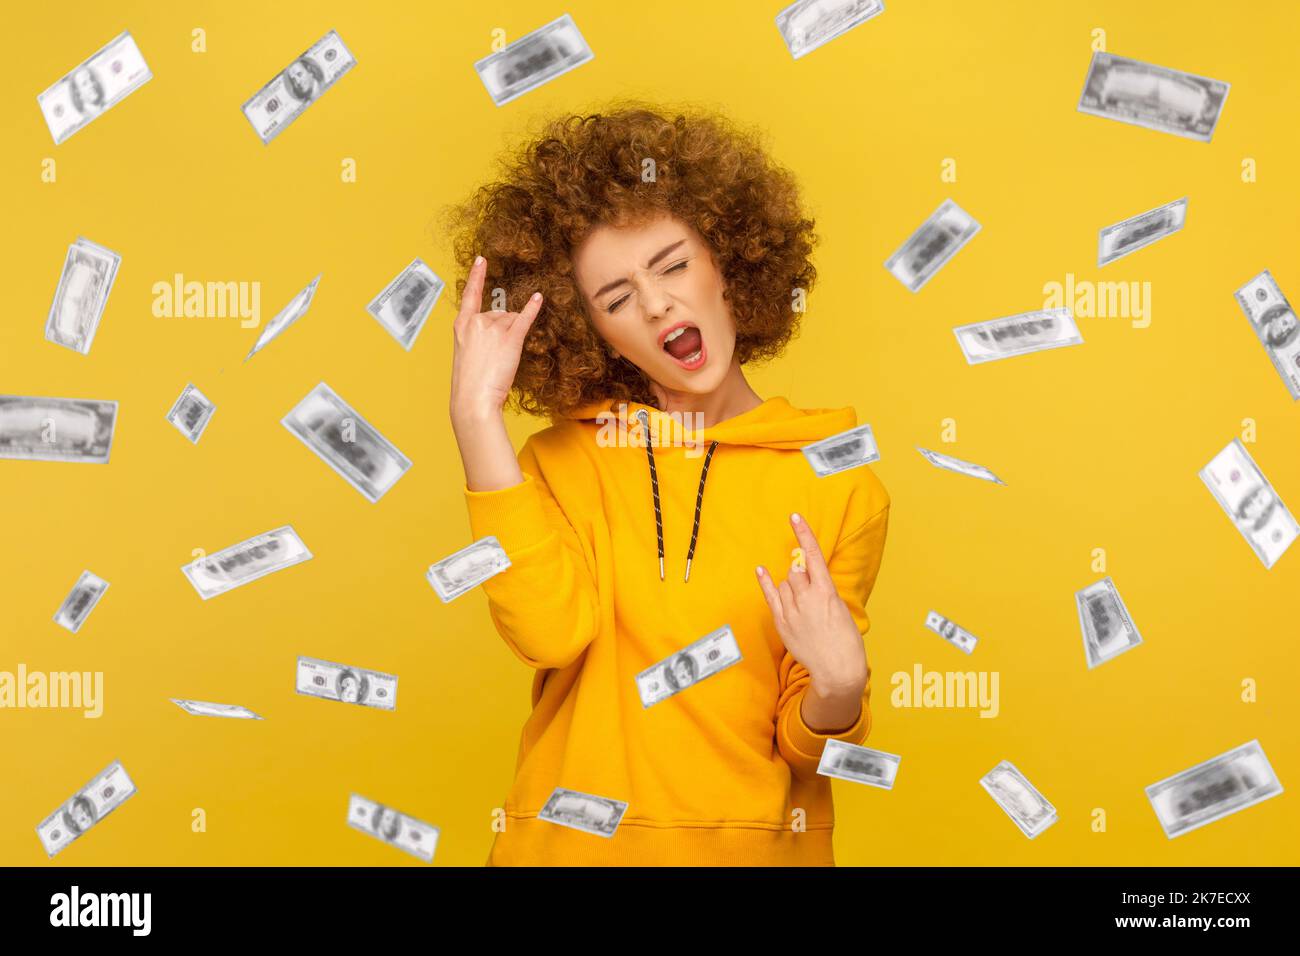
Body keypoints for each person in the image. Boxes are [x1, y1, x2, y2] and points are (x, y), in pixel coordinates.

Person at [445, 103, 890, 866]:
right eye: (615, 299)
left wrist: (841, 685)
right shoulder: (560, 462)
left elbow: (806, 749)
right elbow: (549, 636)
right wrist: (476, 418)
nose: (655, 304)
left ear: (729, 264)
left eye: (674, 265)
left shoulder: (837, 480)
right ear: (595, 333)